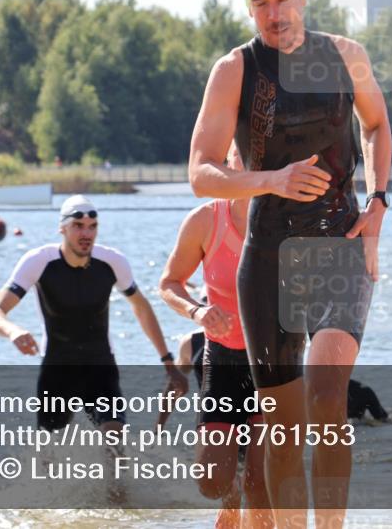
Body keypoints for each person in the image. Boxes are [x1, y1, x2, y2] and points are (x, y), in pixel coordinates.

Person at [188, 0, 392, 529]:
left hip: (341, 246)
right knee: (281, 429)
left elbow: (376, 125)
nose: (274, 14)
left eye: (282, 0)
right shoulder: (234, 70)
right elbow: (201, 172)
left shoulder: (345, 56)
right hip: (270, 255)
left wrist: (377, 202)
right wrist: (270, 179)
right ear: (249, 7)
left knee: (327, 396)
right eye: (261, 4)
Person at [0, 195, 187, 439]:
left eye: (92, 227)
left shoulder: (112, 261)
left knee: (114, 440)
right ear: (62, 228)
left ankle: (117, 479)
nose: (86, 234)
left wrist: (168, 362)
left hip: (100, 365)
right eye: (78, 226)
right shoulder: (39, 261)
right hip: (58, 367)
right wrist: (13, 331)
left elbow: (141, 307)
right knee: (49, 451)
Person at [159, 145, 272, 529]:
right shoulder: (206, 220)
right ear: (229, 163)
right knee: (211, 483)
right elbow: (170, 283)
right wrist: (198, 311)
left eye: (261, 156)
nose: (252, 165)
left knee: (263, 484)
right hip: (222, 357)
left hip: (272, 361)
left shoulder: (283, 220)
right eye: (243, 155)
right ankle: (231, 493)